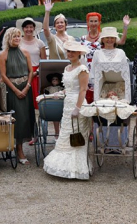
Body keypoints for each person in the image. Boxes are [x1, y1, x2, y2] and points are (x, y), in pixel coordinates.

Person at [43, 40, 91, 180]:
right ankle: (63, 168)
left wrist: (77, 108)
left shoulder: (82, 69)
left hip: (78, 103)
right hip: (67, 103)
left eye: (73, 52)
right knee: (66, 133)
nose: (70, 54)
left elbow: (83, 89)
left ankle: (77, 170)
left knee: (76, 134)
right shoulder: (67, 68)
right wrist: (60, 92)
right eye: (68, 51)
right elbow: (70, 87)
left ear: (79, 54)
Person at [0, 27, 33, 164]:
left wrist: (27, 87)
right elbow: (3, 76)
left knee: (26, 118)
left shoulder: (25, 52)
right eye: (14, 37)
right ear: (8, 38)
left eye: (19, 36)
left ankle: (21, 147)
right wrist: (16, 90)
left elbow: (31, 71)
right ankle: (19, 151)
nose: (17, 39)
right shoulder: (3, 55)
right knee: (16, 119)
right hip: (12, 90)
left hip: (26, 88)